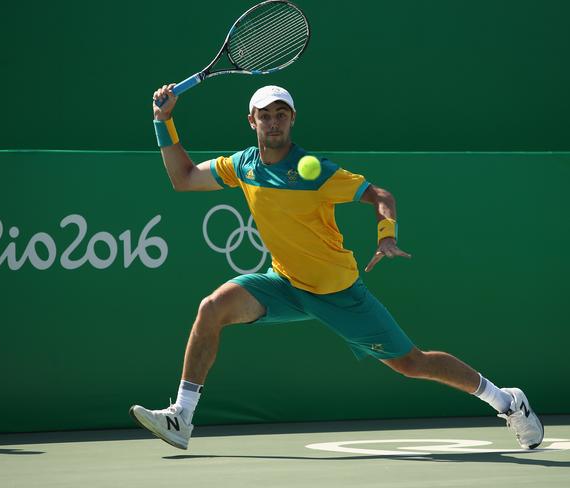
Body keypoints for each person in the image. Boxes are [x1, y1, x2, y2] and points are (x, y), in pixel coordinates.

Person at [129, 84, 544, 451]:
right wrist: (162, 120)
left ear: (292, 120)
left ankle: (507, 400)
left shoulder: (318, 171)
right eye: (265, 115)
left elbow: (381, 194)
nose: (273, 122)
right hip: (285, 283)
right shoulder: (243, 165)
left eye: (281, 114)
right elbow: (183, 178)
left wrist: (386, 235)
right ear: (251, 121)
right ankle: (181, 416)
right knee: (211, 308)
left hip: (338, 293)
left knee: (413, 363)